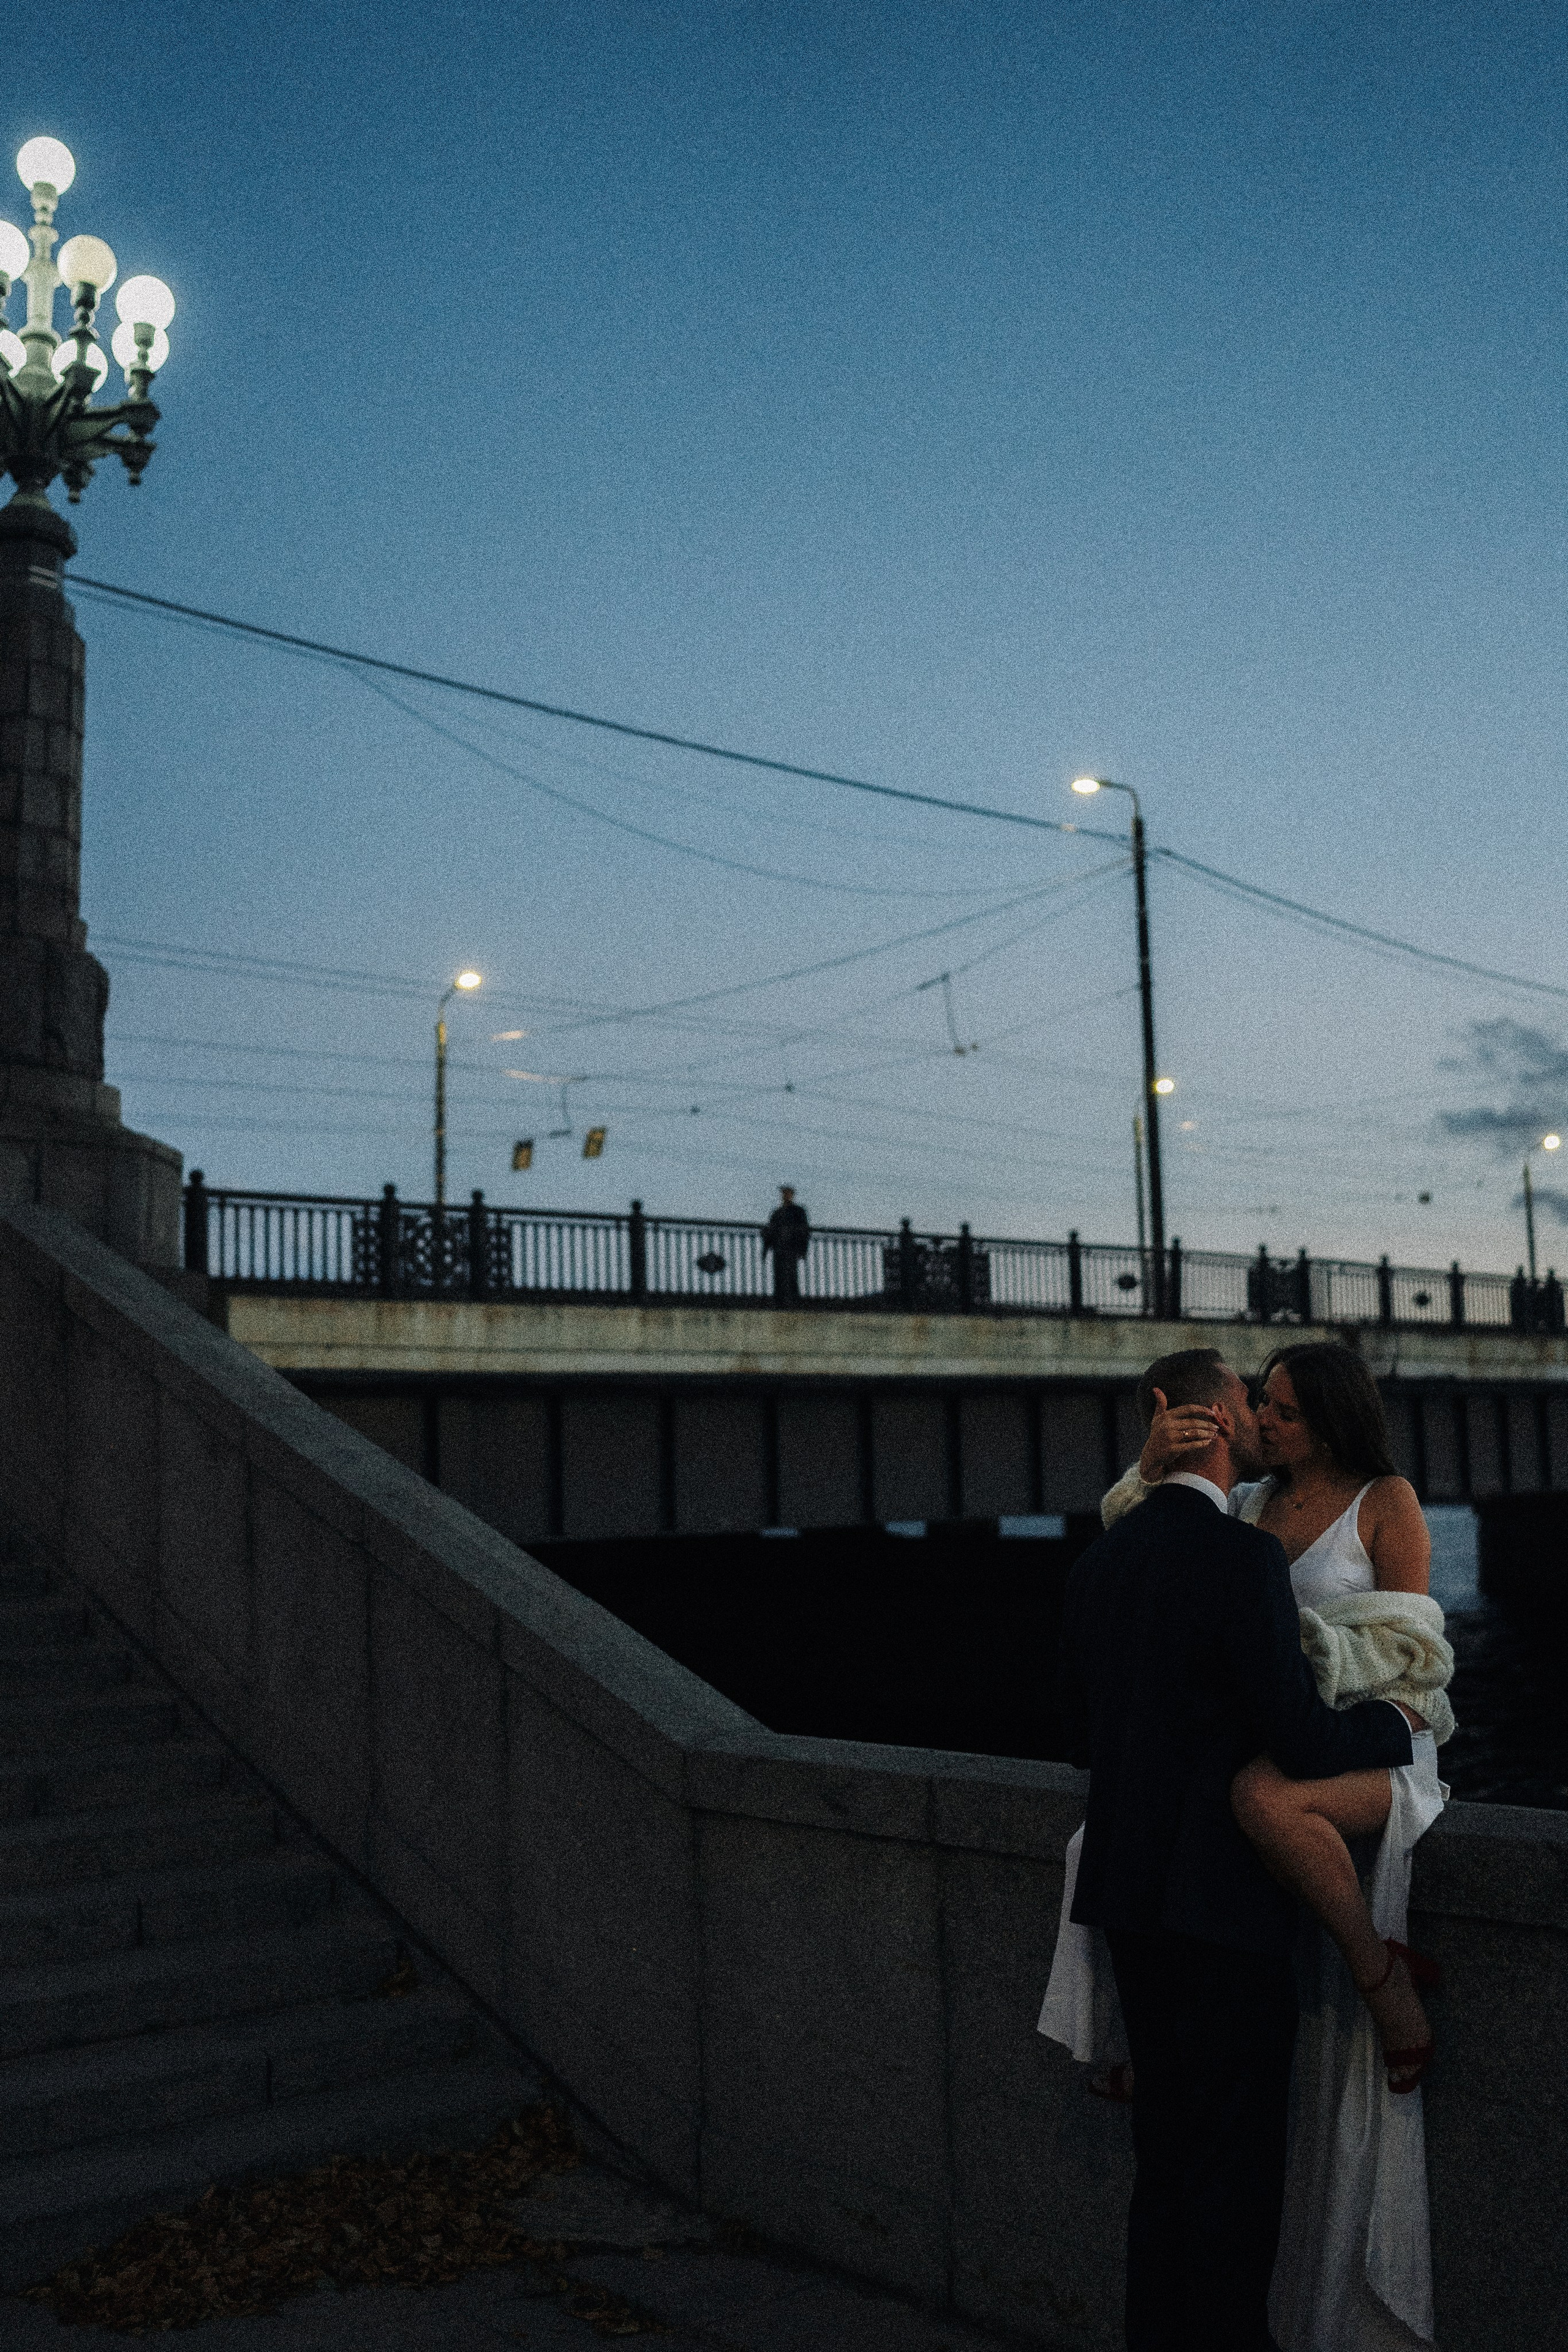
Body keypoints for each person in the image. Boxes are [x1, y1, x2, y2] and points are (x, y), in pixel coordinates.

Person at [1048, 1347, 1420, 2352]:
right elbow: (1296, 1739)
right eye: (1249, 1404)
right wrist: (1395, 1728)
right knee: (1236, 2182)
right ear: (1213, 1421)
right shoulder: (1241, 1558)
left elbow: (1088, 1734)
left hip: (1129, 1899)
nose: (1262, 1418)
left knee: (1165, 2172)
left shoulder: (1097, 1564)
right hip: (1221, 1901)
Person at [760, 1185, 810, 1303]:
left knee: (790, 1274)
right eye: (784, 1194)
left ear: (792, 1196)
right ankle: (781, 1299)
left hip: (791, 1247)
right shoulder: (777, 1213)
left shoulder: (798, 1211)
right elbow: (771, 1231)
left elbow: (804, 1231)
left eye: (787, 1194)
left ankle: (791, 1299)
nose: (785, 1196)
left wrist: (803, 1249)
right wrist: (765, 1250)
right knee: (779, 1274)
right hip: (779, 1248)